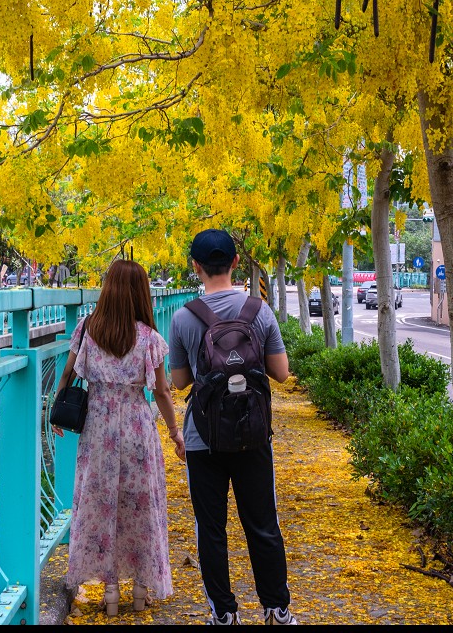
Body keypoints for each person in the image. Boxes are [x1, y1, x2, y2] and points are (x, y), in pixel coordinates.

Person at [168, 229, 298, 626]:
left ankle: (224, 615)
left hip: (202, 439)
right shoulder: (260, 311)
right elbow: (281, 373)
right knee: (262, 523)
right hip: (253, 434)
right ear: (236, 264)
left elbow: (178, 382)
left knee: (211, 529)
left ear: (196, 267)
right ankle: (276, 610)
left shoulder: (183, 317)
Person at [54, 259, 186, 616]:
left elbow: (67, 372)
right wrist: (175, 432)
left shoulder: (86, 329)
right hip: (137, 429)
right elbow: (161, 392)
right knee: (140, 505)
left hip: (97, 428)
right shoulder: (149, 338)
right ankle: (141, 590)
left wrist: (56, 408)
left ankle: (109, 591)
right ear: (142, 293)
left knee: (100, 505)